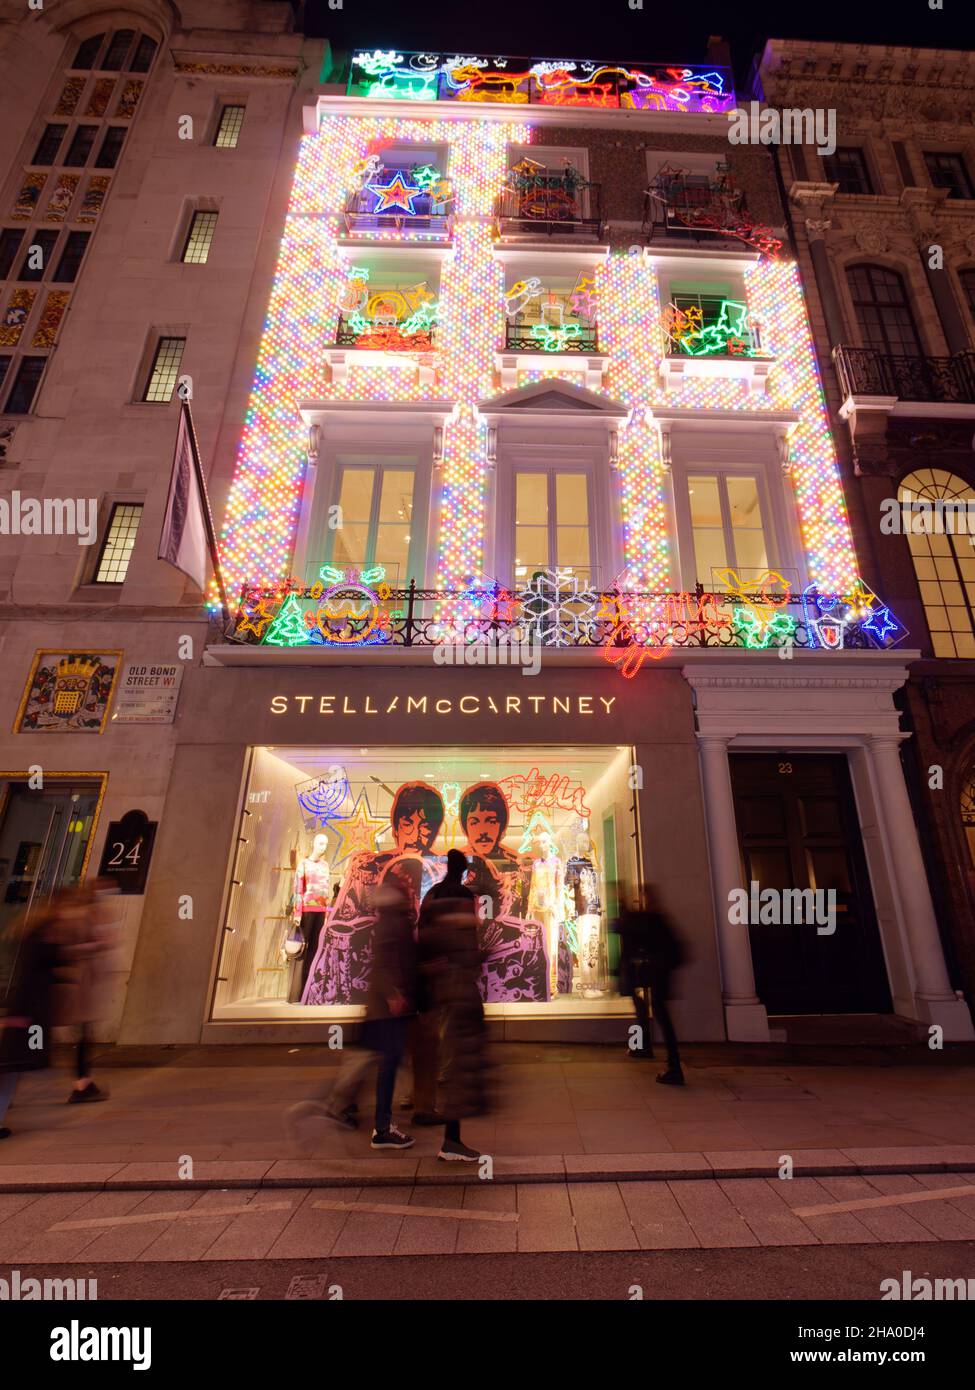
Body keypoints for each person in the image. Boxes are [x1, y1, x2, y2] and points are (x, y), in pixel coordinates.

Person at [322, 877, 417, 1149]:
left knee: (371, 1061)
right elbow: (385, 961)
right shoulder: (394, 921)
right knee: (387, 1065)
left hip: (384, 1006)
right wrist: (394, 995)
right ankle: (382, 1128)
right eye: (407, 890)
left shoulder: (390, 917)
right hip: (388, 1008)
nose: (410, 894)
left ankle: (342, 1106)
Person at [417, 849, 489, 1161]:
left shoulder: (433, 894)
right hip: (456, 982)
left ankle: (425, 1101)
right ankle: (451, 1138)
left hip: (435, 981)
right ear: (464, 871)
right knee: (458, 1048)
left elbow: (423, 932)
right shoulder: (462, 896)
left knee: (433, 1040)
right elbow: (466, 941)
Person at [0, 896, 67, 1138]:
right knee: (10, 1068)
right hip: (27, 1013)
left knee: (12, 1069)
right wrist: (16, 1013)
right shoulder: (39, 940)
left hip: (29, 1012)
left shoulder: (36, 938)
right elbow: (28, 979)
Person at [614, 885, 686, 1086]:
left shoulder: (654, 919)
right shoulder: (657, 919)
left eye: (642, 896)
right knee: (647, 1010)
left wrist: (621, 902)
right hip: (656, 975)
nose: (641, 900)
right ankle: (645, 1048)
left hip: (655, 975)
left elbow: (624, 926)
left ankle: (672, 1065)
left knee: (656, 1014)